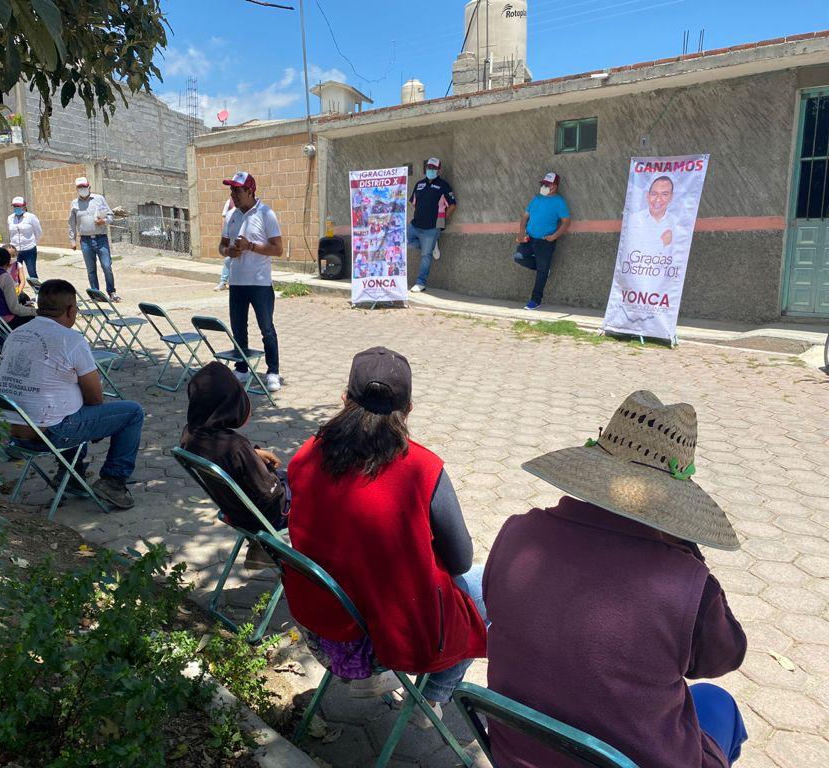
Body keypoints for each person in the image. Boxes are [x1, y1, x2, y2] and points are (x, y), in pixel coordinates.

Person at [484, 390, 747, 767]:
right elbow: (724, 656)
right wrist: (689, 553)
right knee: (718, 703)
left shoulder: (518, 533)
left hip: (516, 753)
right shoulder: (687, 584)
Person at [282, 347, 487, 719]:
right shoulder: (423, 469)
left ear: (344, 399)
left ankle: (406, 690)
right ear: (408, 410)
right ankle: (432, 698)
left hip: (322, 628)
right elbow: (460, 560)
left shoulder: (305, 455)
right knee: (488, 583)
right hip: (383, 639)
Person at [0, 279, 144, 509]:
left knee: (70, 403)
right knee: (133, 412)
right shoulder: (70, 339)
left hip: (12, 433)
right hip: (49, 434)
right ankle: (113, 482)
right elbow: (95, 398)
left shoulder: (16, 334)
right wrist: (97, 425)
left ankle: (72, 475)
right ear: (70, 310)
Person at [180, 362, 289, 565]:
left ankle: (260, 547)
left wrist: (253, 455)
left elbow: (224, 458)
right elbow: (269, 493)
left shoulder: (190, 435)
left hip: (233, 510)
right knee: (304, 481)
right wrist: (268, 470)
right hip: (266, 514)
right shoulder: (236, 446)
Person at [218, 171, 284, 392]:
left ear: (249, 190)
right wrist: (228, 251)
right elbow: (221, 246)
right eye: (231, 190)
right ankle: (242, 369)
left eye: (237, 190)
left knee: (267, 329)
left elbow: (278, 249)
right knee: (238, 329)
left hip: (260, 283)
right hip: (236, 283)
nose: (233, 194)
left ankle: (273, 372)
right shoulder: (231, 215)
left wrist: (251, 246)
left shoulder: (266, 214)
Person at [514, 171, 571, 310]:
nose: (544, 187)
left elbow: (566, 222)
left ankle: (535, 300)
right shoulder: (536, 199)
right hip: (529, 238)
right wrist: (521, 232)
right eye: (543, 184)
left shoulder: (559, 202)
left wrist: (554, 236)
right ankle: (543, 270)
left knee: (542, 271)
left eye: (547, 184)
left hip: (545, 241)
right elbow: (525, 217)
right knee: (518, 257)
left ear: (555, 186)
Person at [407, 157, 456, 293]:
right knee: (403, 241)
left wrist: (441, 221)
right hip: (415, 225)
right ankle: (432, 244)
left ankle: (420, 283)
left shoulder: (443, 186)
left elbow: (452, 205)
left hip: (431, 228)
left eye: (434, 168)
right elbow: (413, 202)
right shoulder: (419, 184)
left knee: (426, 255)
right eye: (429, 167)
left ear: (439, 170)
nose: (431, 170)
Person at [67, 177, 118, 301]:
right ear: (76, 189)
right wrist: (72, 240)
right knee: (91, 269)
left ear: (89, 187)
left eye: (84, 187)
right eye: (79, 187)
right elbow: (71, 223)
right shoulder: (74, 203)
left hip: (101, 239)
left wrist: (104, 221)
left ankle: (111, 292)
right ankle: (96, 294)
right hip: (85, 241)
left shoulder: (99, 199)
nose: (82, 189)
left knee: (106, 266)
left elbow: (111, 215)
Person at [628, 175, 679, 257]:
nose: (658, 199)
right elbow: (632, 253)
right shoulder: (634, 219)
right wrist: (663, 243)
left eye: (664, 194)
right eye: (654, 194)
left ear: (671, 197)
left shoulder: (677, 223)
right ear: (648, 196)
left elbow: (677, 258)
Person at [8, 196, 42, 279]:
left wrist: (32, 242)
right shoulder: (10, 218)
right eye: (15, 206)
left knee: (32, 272)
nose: (16, 208)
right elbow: (11, 233)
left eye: (18, 206)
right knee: (15, 272)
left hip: (29, 249)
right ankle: (18, 287)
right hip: (15, 250)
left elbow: (38, 232)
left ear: (24, 206)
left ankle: (37, 287)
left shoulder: (31, 217)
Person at [214, 197, 234, 291]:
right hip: (231, 236)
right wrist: (224, 234)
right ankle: (224, 282)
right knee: (228, 259)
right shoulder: (229, 202)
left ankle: (228, 282)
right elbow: (224, 218)